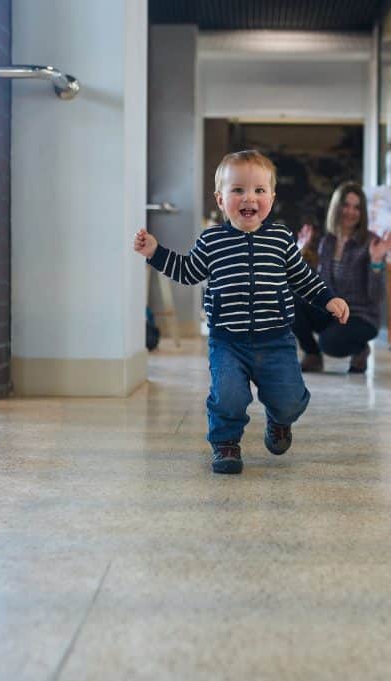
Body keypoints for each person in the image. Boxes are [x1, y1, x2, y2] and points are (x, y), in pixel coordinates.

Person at [133, 150, 349, 475]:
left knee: (289, 399)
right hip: (228, 341)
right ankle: (226, 444)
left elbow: (303, 278)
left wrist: (328, 299)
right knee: (228, 395)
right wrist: (155, 252)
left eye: (259, 190)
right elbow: (188, 271)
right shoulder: (212, 241)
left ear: (272, 199)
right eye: (238, 190)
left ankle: (279, 420)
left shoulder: (281, 240)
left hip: (276, 339)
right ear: (221, 200)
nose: (249, 197)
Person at [293, 182, 390, 373]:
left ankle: (360, 349)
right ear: (337, 207)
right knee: (290, 298)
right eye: (345, 205)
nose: (350, 212)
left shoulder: (371, 242)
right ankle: (312, 355)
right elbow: (316, 285)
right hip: (334, 310)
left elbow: (376, 297)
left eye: (356, 207)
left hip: (361, 316)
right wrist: (299, 255)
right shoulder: (327, 242)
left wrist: (376, 263)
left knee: (329, 343)